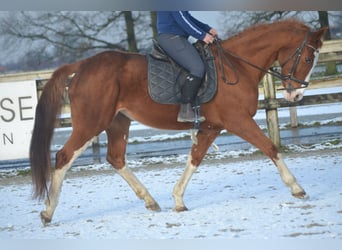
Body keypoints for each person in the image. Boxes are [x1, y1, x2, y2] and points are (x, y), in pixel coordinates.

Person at [157, 11, 218, 123]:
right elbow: (182, 20)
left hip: (176, 37)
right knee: (197, 68)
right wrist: (202, 35)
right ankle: (185, 109)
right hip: (172, 37)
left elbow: (187, 17)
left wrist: (206, 28)